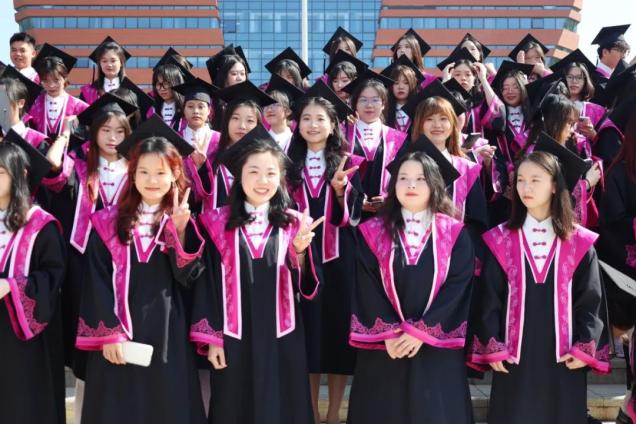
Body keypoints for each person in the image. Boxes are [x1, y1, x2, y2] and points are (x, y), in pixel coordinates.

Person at [75, 118, 206, 424]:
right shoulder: (107, 222)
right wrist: (108, 335)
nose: (152, 180)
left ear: (175, 175)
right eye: (143, 171)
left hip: (168, 332)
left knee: (166, 405)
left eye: (160, 172)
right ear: (132, 174)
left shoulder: (184, 220)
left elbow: (190, 280)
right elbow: (95, 281)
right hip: (118, 332)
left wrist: (179, 232)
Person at [468, 143, 610, 424]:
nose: (526, 187)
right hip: (514, 358)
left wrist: (585, 345)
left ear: (555, 186)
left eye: (535, 180)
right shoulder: (500, 239)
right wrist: (493, 345)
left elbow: (590, 299)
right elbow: (489, 298)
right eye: (520, 180)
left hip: (564, 358)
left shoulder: (579, 242)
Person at [190, 125, 323, 424]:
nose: (263, 181)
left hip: (282, 335)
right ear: (239, 176)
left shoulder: (295, 223)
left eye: (271, 173)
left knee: (282, 405)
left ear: (281, 178)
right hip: (233, 336)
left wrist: (300, 252)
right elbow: (207, 285)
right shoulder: (215, 223)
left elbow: (309, 289)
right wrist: (212, 339)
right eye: (254, 172)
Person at [348, 145, 475, 424]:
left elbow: (458, 286)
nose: (411, 185)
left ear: (435, 184)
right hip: (387, 346)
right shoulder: (372, 231)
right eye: (403, 178)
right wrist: (389, 332)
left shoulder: (454, 233)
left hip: (435, 345)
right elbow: (366, 284)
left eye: (420, 179)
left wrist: (422, 331)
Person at [287, 86, 363, 424]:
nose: (313, 125)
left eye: (320, 119)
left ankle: (333, 413)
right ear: (298, 125)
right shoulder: (287, 165)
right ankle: (309, 411)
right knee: (308, 334)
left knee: (336, 332)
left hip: (339, 258)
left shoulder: (348, 162)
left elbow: (354, 216)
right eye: (306, 118)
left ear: (333, 125)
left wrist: (341, 191)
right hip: (301, 257)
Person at [0, 130, 67, 424]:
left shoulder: (40, 224)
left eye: (0, 172)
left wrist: (11, 287)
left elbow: (54, 276)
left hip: (23, 334)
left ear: (20, 175)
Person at [343, 69, 407, 217]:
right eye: (363, 100)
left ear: (383, 104)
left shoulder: (397, 139)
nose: (369, 105)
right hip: (350, 214)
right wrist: (355, 199)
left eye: (375, 100)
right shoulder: (342, 135)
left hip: (385, 214)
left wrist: (388, 198)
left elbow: (403, 175)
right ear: (355, 104)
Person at [27, 44, 88, 139]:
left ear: (65, 78)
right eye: (45, 81)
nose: (51, 85)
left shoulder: (80, 107)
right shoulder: (33, 105)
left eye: (56, 80)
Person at [80, 36, 131, 105]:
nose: (109, 65)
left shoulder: (131, 91)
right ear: (99, 64)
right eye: (104, 61)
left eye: (113, 61)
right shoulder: (88, 92)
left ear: (121, 63)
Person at [381, 56, 423, 133]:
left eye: (406, 83)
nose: (400, 87)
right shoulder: (384, 109)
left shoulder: (420, 108)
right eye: (396, 83)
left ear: (412, 84)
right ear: (391, 86)